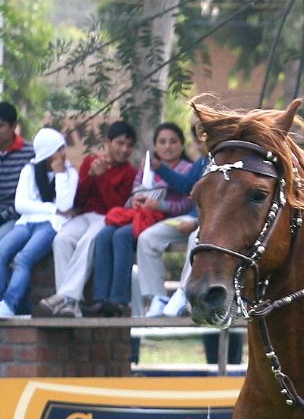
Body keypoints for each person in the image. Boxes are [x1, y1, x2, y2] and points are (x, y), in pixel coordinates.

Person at [87, 122, 192, 317]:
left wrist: (160, 206)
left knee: (122, 236)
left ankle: (118, 300)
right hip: (140, 217)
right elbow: (134, 194)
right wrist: (134, 201)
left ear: (182, 145)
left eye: (173, 142)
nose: (167, 146)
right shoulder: (147, 168)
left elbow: (188, 204)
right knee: (104, 235)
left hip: (166, 222)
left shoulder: (187, 169)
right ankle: (100, 299)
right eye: (162, 142)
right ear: (155, 146)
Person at [39, 121, 137, 316]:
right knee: (61, 239)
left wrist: (102, 178)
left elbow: (115, 206)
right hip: (84, 215)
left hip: (107, 218)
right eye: (120, 143)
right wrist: (91, 175)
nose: (124, 149)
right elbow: (79, 200)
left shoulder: (130, 173)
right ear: (108, 142)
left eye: (129, 145)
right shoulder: (90, 160)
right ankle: (69, 305)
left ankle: (64, 296)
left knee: (89, 241)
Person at [0, 129, 77, 317]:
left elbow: (65, 204)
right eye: (57, 150)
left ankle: (10, 304)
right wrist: (52, 208)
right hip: (27, 222)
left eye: (62, 149)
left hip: (51, 225)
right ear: (47, 152)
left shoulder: (69, 173)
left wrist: (59, 175)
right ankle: (1, 300)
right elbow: (21, 204)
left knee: (23, 259)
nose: (62, 154)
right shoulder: (30, 170)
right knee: (1, 251)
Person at [137, 125, 207, 316]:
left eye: (201, 141)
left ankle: (184, 293)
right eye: (196, 142)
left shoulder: (225, 164)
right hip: (189, 219)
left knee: (196, 238)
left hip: (206, 225)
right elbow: (185, 186)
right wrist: (161, 169)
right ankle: (157, 298)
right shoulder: (201, 163)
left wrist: (197, 223)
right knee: (147, 238)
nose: (198, 146)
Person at [0, 103, 30, 229]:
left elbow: (31, 195)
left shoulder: (30, 153)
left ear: (14, 126)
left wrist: (3, 217)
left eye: (1, 126)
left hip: (15, 217)